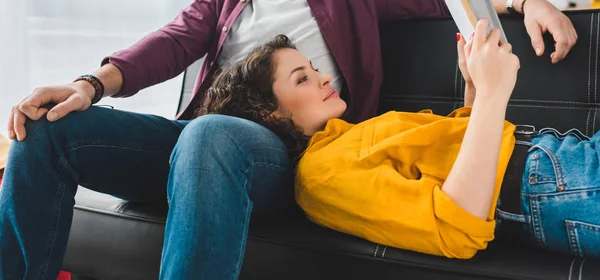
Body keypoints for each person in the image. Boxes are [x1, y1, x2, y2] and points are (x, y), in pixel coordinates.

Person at [0, 0, 579, 278]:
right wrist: (91, 85)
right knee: (46, 130)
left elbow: (438, 1)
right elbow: (167, 44)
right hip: (200, 148)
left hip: (287, 152)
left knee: (213, 136)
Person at [200, 27, 600, 261]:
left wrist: (475, 89)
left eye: (314, 68)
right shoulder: (319, 176)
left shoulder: (343, 137)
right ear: (269, 114)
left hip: (565, 164)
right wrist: (496, 93)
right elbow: (455, 225)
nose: (323, 77)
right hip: (557, 186)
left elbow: (459, 157)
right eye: (301, 78)